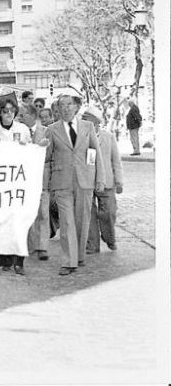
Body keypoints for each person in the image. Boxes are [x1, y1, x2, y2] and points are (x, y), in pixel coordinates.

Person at [44, 95, 105, 276]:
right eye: (61, 106)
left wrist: (99, 179)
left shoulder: (87, 127)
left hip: (85, 180)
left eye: (69, 104)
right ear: (58, 110)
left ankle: (78, 256)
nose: (65, 108)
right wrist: (45, 183)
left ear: (76, 107)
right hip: (61, 182)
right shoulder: (52, 130)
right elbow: (46, 159)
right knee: (67, 221)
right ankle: (68, 261)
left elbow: (96, 153)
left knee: (82, 220)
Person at [0, 98, 33, 275]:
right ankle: (5, 260)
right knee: (2, 223)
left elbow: (32, 152)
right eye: (5, 111)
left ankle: (19, 261)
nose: (8, 114)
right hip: (0, 184)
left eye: (11, 110)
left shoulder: (22, 129)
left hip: (18, 182)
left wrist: (26, 147)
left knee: (19, 222)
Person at [82, 106, 123, 253]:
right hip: (87, 182)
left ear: (96, 122)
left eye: (87, 120)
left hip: (107, 182)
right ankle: (92, 245)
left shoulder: (108, 137)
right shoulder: (81, 138)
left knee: (109, 212)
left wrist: (119, 181)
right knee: (89, 214)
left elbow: (116, 161)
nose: (84, 123)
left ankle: (109, 237)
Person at [18, 104, 50, 261]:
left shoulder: (46, 131)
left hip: (41, 178)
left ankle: (42, 247)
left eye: (22, 115)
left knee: (43, 213)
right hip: (22, 179)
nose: (20, 117)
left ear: (31, 115)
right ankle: (28, 245)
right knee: (26, 213)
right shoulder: (18, 132)